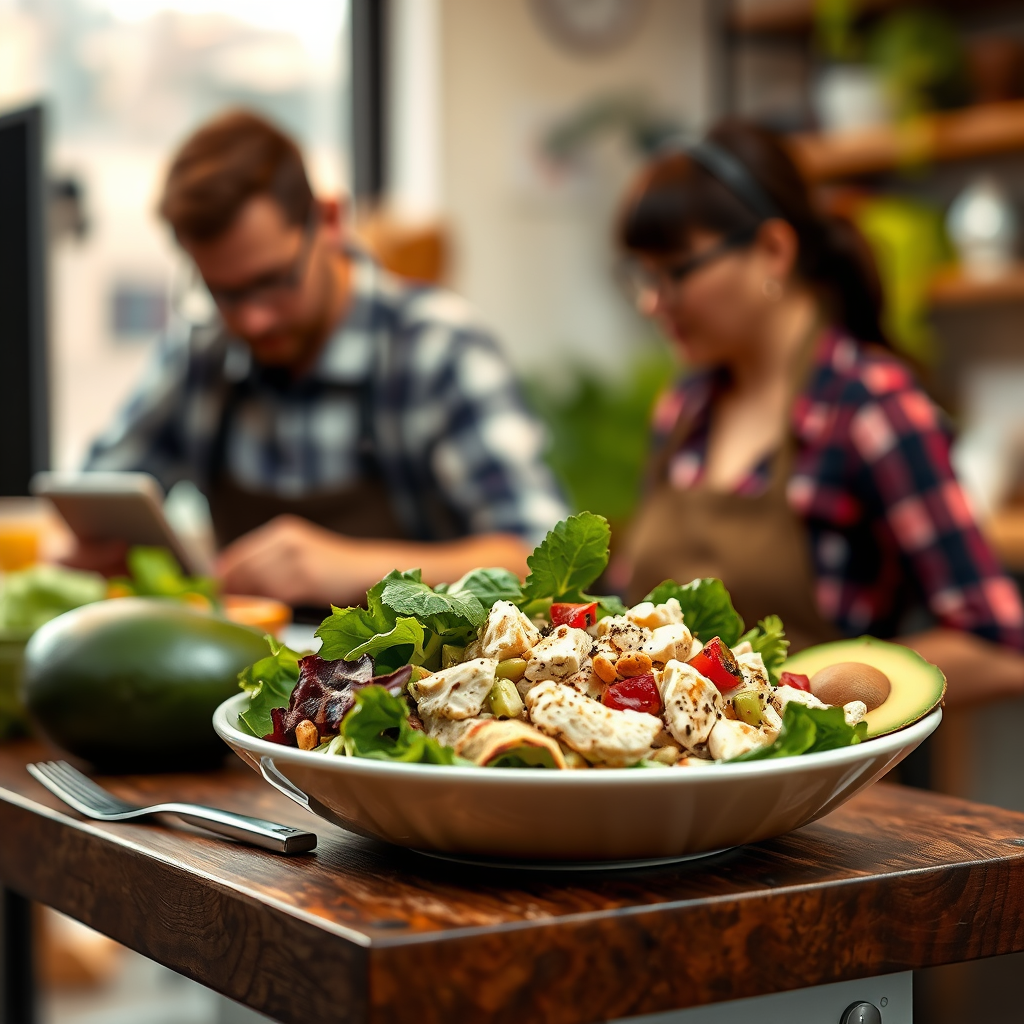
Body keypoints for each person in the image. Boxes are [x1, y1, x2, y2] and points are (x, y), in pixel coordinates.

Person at [616, 119, 1024, 708]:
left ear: (773, 251)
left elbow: (999, 645)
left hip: (820, 795)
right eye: (643, 277)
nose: (653, 302)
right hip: (671, 786)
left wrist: (815, 695)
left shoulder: (870, 408)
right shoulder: (684, 410)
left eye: (675, 271)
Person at [85, 110, 567, 607]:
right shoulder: (203, 351)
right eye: (224, 293)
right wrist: (92, 547)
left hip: (409, 681)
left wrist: (356, 569)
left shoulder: (438, 348)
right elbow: (99, 493)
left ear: (330, 221)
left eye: (272, 281)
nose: (253, 321)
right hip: (248, 675)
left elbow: (538, 558)